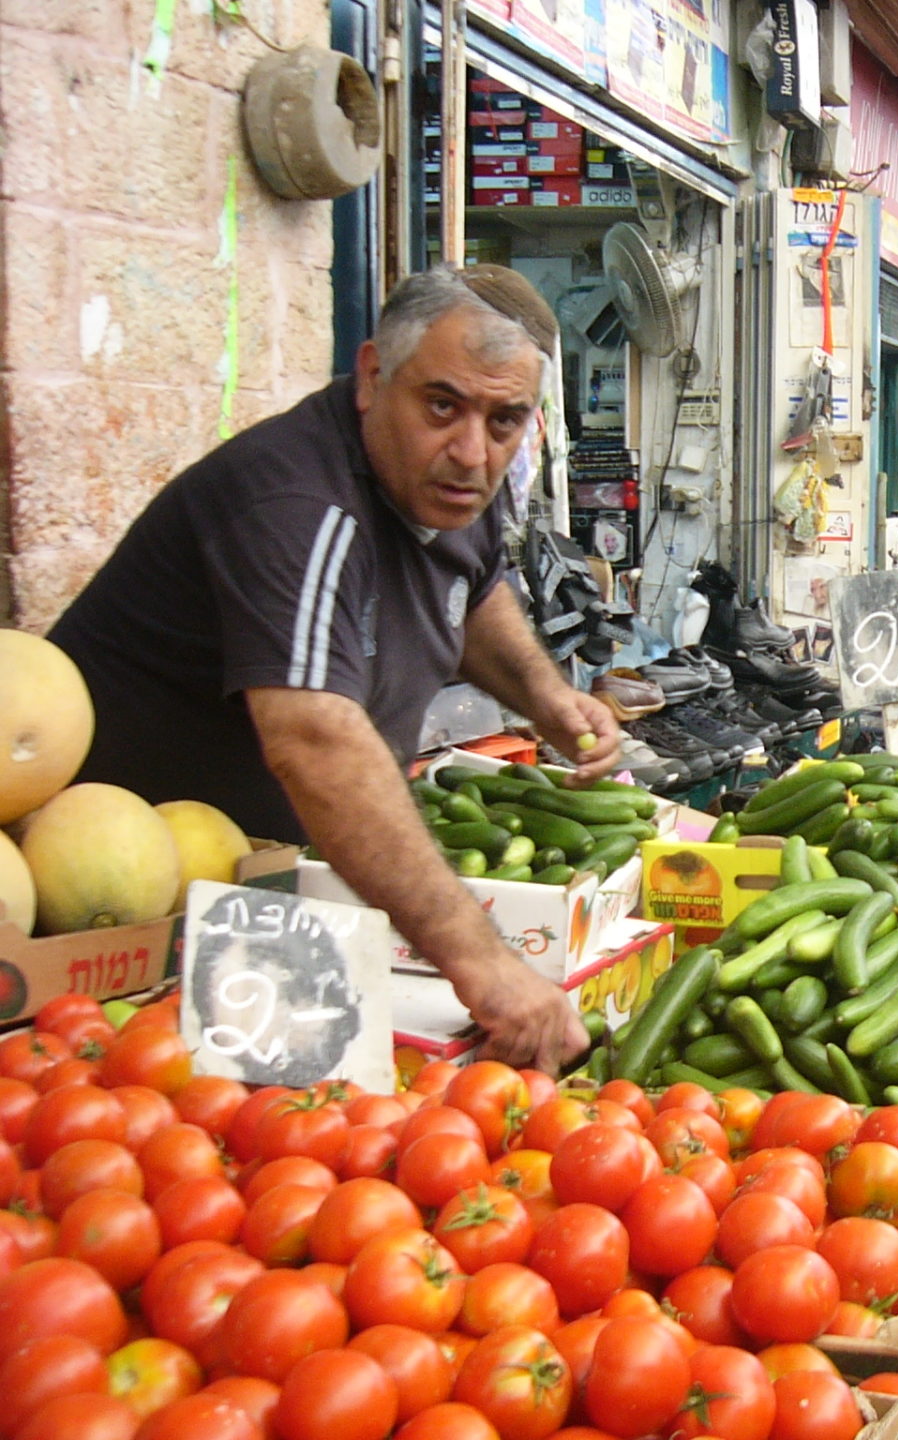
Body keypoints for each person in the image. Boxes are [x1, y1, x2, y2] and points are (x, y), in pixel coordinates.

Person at [47, 265, 618, 1072]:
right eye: (442, 405)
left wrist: (547, 697)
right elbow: (315, 739)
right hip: (137, 912)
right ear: (373, 377)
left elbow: (473, 587)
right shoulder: (297, 506)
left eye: (505, 421)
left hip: (277, 888)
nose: (470, 452)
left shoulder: (448, 486)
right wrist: (485, 964)